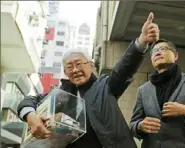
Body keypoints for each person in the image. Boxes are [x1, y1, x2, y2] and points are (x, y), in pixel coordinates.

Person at [17, 12, 160, 148]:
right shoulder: (59, 95)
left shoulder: (105, 87)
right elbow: (30, 100)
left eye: (79, 64)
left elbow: (124, 68)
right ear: (65, 72)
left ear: (91, 66)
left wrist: (141, 42)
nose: (75, 70)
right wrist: (30, 115)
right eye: (69, 67)